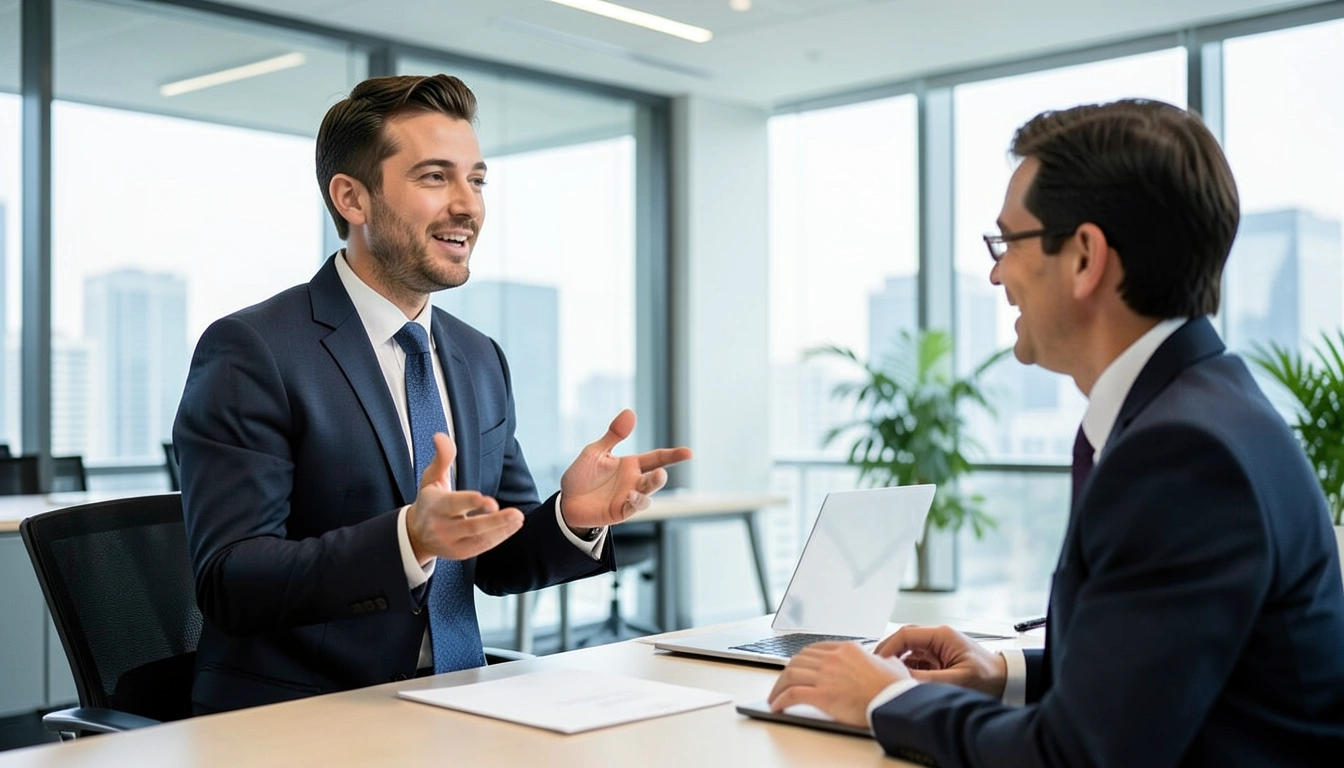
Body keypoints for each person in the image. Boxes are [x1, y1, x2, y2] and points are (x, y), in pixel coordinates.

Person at [767, 99, 1344, 766]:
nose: (995, 272)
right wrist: (1002, 672)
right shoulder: (1208, 407)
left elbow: (1079, 756)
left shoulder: (1181, 454)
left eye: (1007, 242)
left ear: (1084, 257)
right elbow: (1161, 681)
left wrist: (886, 699)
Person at [173, 73, 692, 714]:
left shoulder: (477, 357)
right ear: (352, 199)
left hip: (458, 705)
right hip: (305, 718)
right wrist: (408, 541)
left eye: (476, 179)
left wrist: (570, 518)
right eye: (434, 177)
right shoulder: (255, 350)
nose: (468, 205)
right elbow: (232, 581)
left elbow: (497, 558)